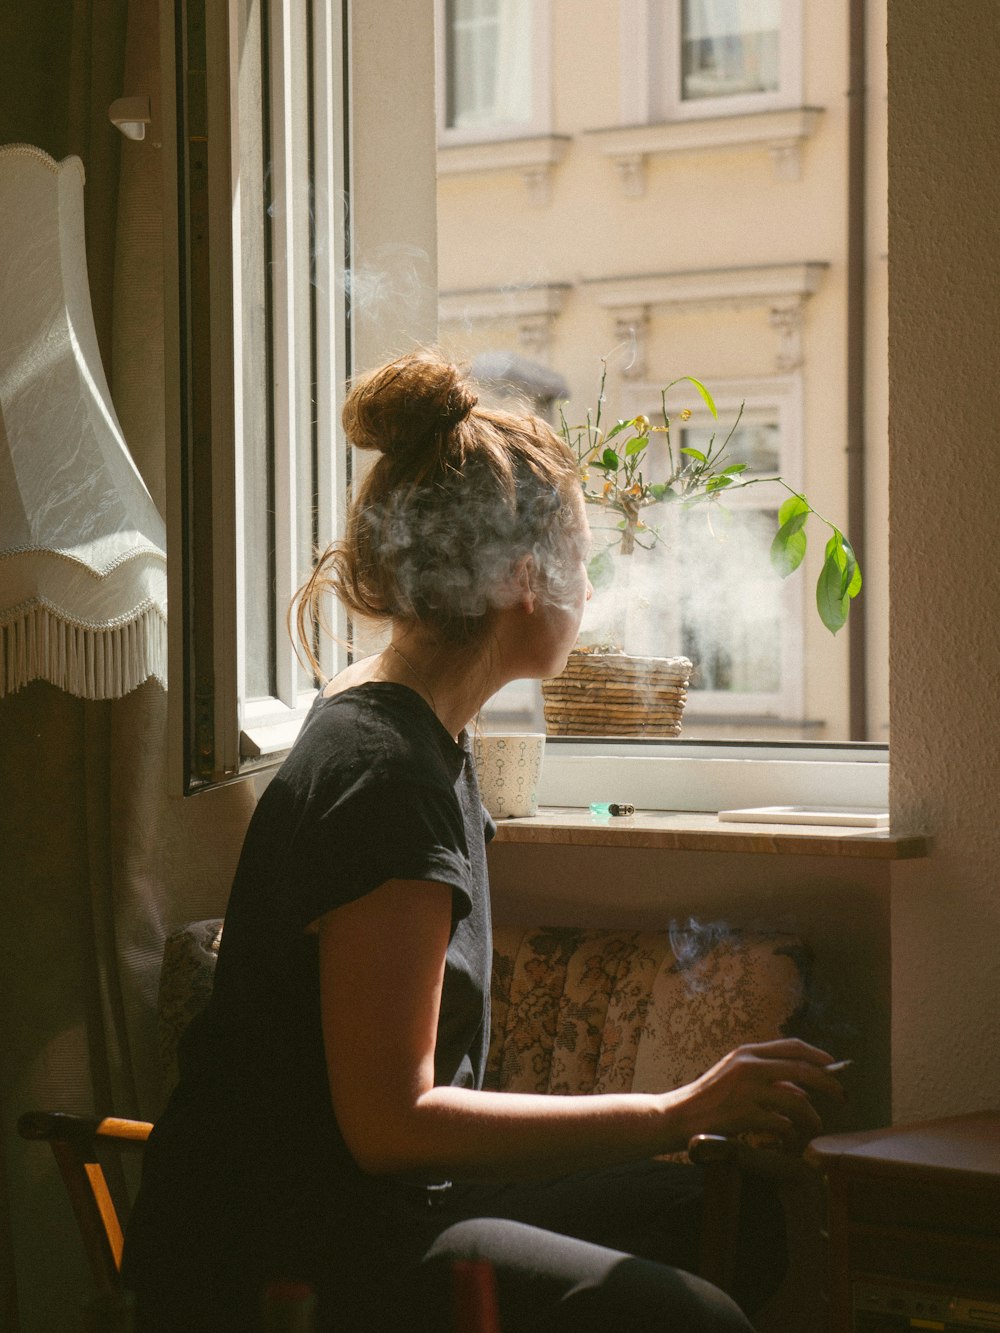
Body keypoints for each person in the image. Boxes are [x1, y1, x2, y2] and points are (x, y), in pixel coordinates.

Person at [122, 352, 844, 1332]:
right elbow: (389, 1126)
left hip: (363, 1204)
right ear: (517, 577)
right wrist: (678, 1109)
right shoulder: (389, 776)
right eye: (579, 563)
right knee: (695, 1314)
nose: (589, 593)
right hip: (288, 1244)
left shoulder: (423, 736)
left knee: (729, 1216)